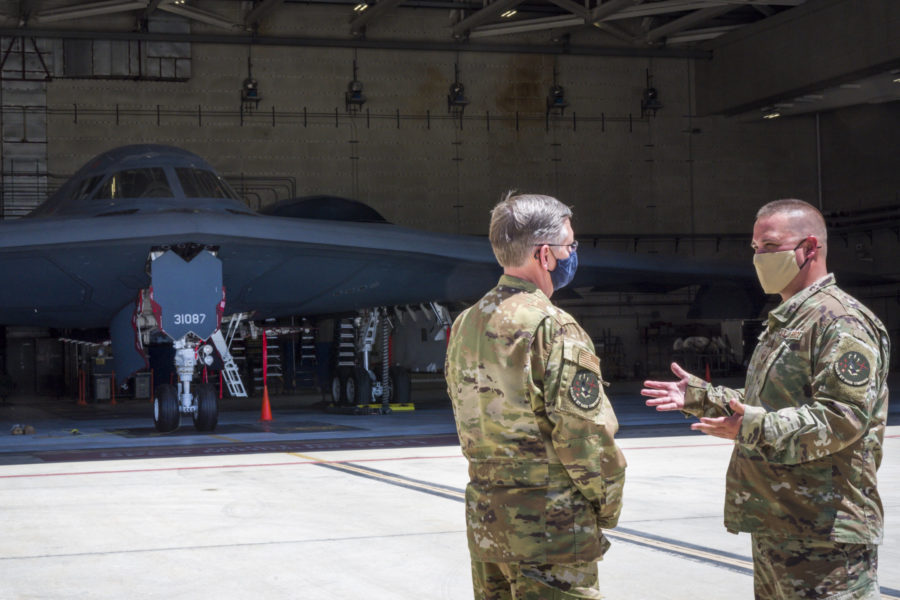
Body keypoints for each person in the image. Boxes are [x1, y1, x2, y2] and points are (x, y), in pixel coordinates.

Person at [642, 198, 890, 599]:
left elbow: (842, 419)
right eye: (755, 249)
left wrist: (752, 426)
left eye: (770, 247)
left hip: (826, 533)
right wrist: (702, 397)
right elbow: (768, 400)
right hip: (780, 523)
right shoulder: (789, 320)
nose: (759, 258)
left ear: (810, 248)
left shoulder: (840, 321)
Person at [445, 192, 627, 599]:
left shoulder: (466, 322)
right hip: (550, 529)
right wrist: (607, 506)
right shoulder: (552, 325)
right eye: (570, 246)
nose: (573, 254)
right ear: (545, 255)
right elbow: (586, 435)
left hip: (489, 522)